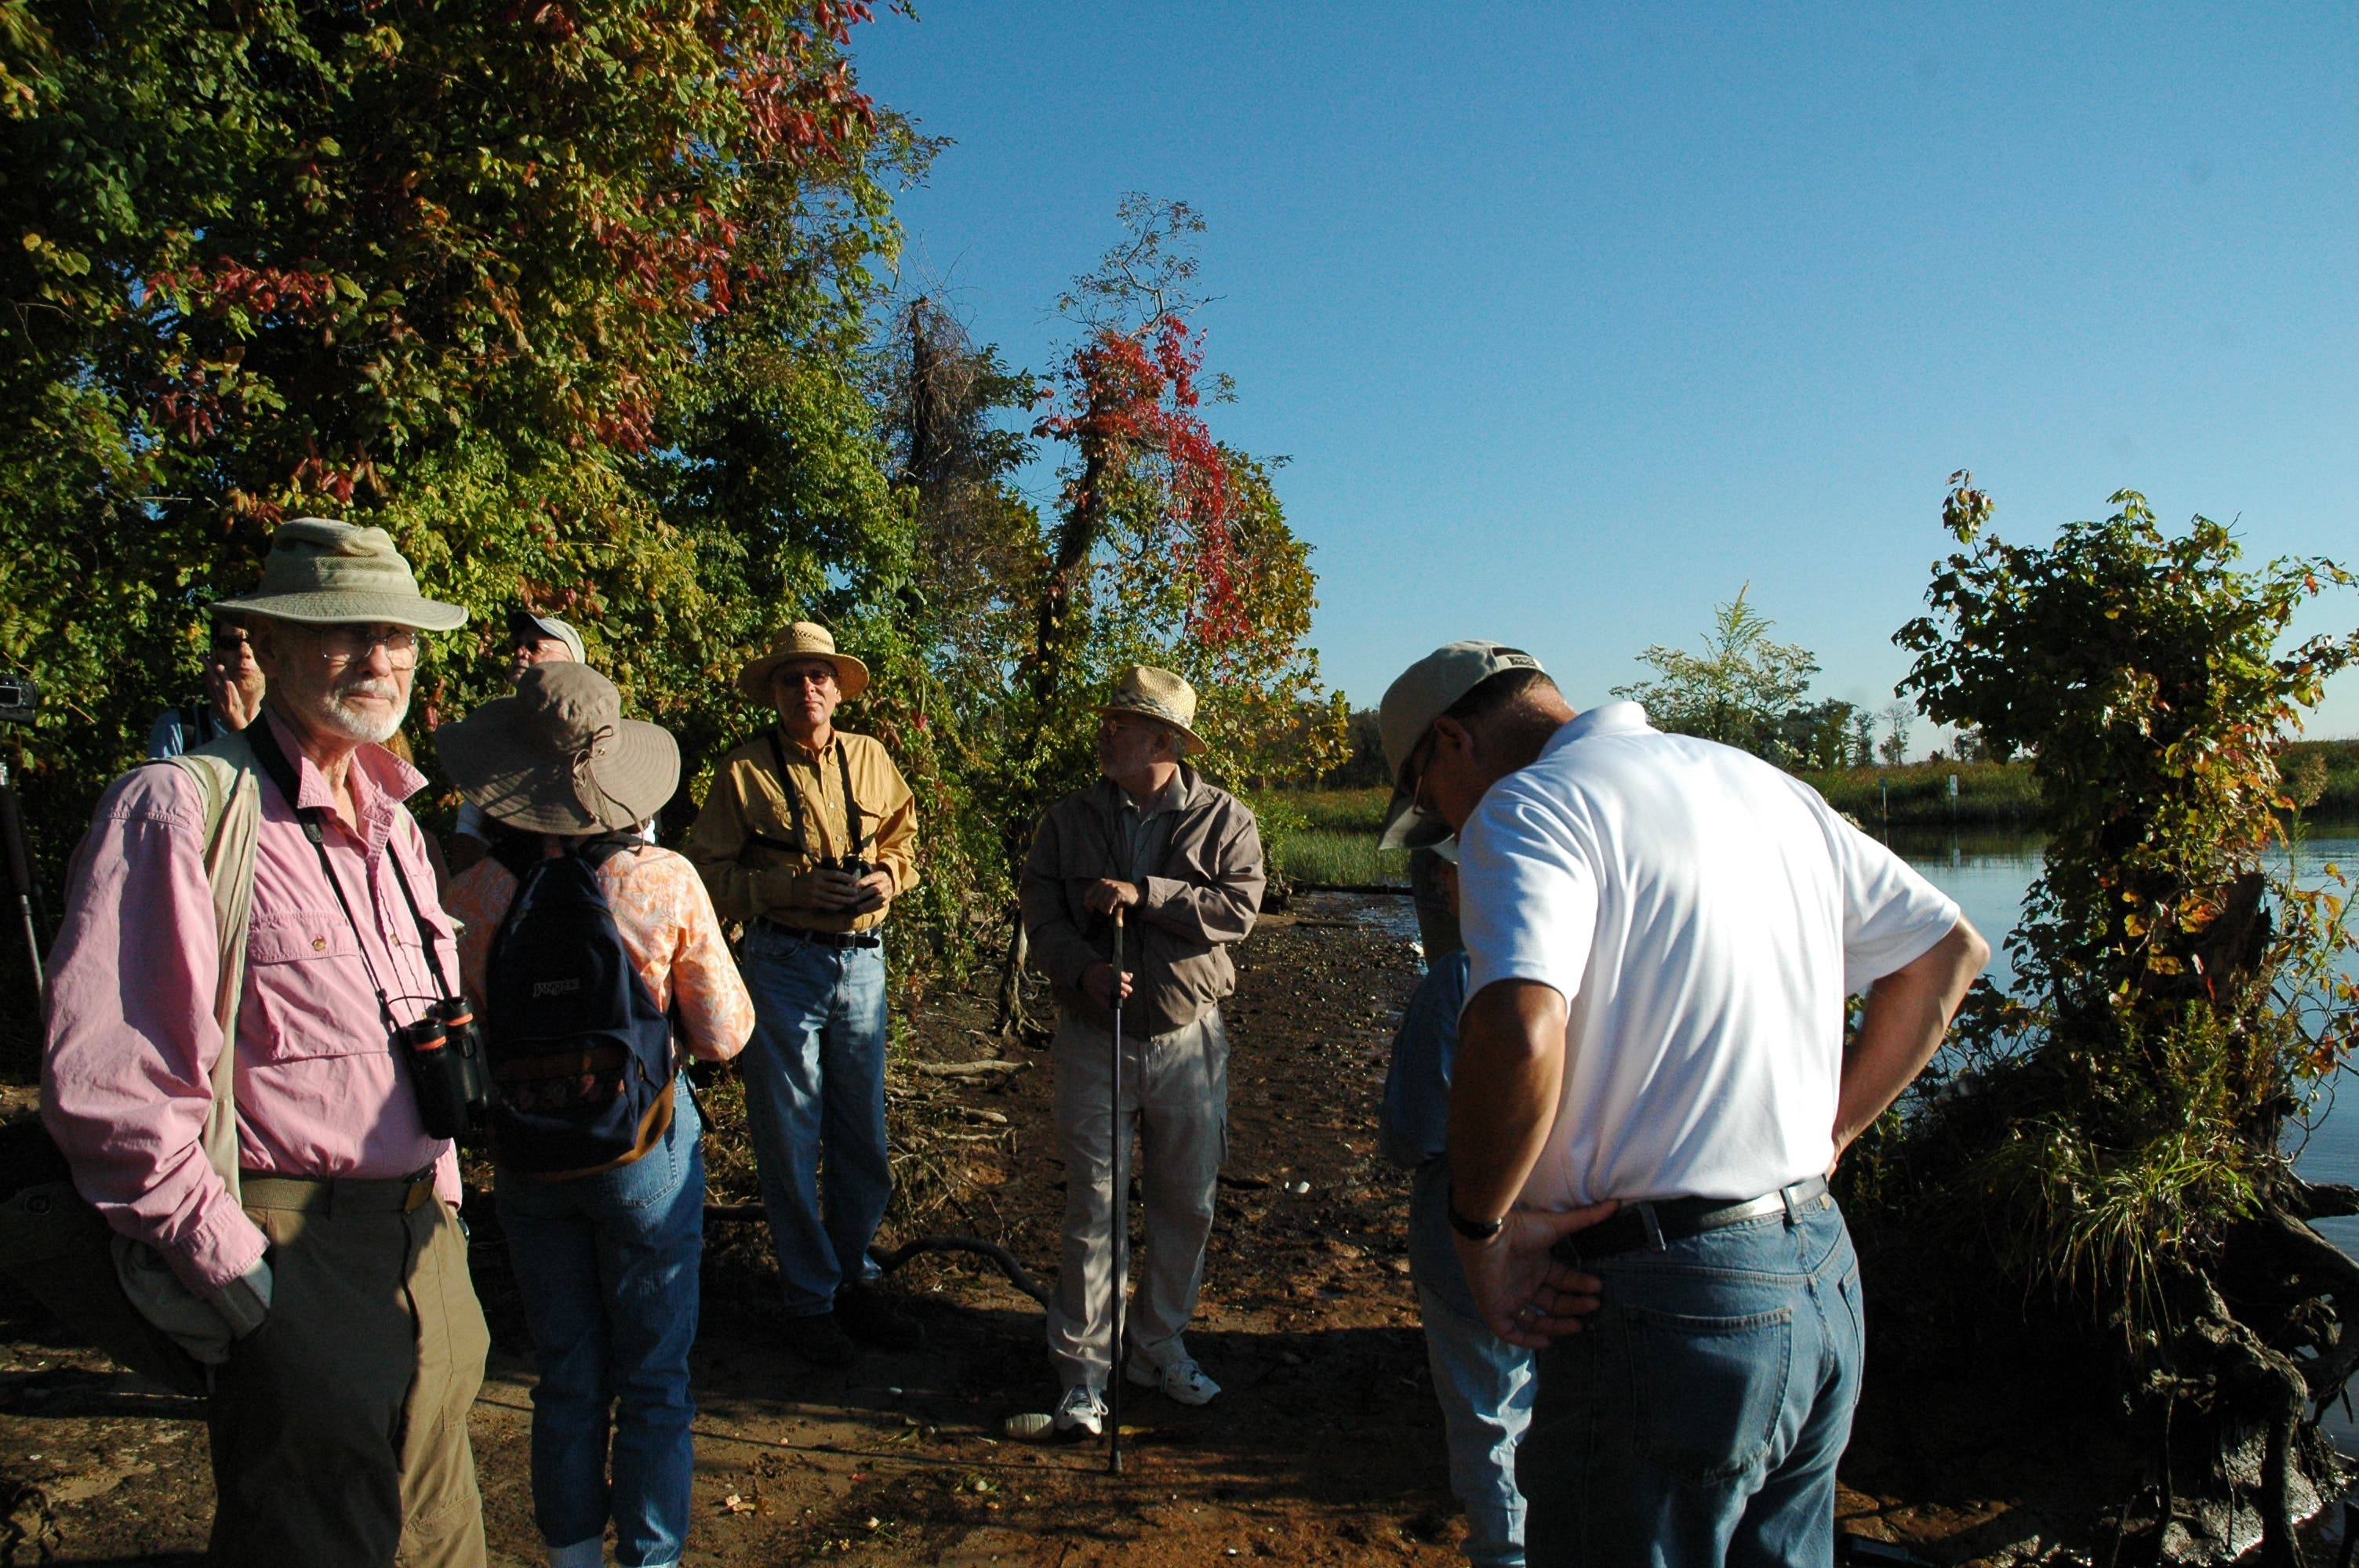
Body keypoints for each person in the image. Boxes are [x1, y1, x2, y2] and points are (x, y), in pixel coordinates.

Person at [1375, 640, 1988, 1567]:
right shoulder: (1761, 785)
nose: (1444, 827)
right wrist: (1831, 1131)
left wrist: (1480, 1230)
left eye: (1427, 802)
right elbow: (1946, 952)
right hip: (1819, 1274)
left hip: (1665, 1311)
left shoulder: (1529, 804)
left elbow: (1522, 1029)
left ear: (1453, 739)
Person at [45, 517, 491, 1566]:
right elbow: (112, 1085)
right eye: (345, 632)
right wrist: (238, 1275)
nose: (379, 658)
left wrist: (446, 1207)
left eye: (398, 635)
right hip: (291, 1250)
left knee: (442, 1544)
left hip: (425, 1251)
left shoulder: (397, 825)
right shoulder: (177, 808)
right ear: (272, 645)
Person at [440, 662, 754, 1568]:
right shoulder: (662, 881)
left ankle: (571, 1554)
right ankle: (650, 1555)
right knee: (653, 1375)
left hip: (528, 1153)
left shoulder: (469, 897)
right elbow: (724, 1033)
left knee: (565, 1371)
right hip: (643, 1151)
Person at [1016, 666, 1266, 1438]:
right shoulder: (1068, 819)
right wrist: (1081, 970)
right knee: (1093, 1208)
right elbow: (1040, 911)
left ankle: (1158, 1348)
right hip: (1094, 1039)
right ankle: (1083, 1376)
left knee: (1185, 1202)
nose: (1105, 734)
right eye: (1108, 723)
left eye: (1120, 725)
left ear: (1164, 741)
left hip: (1190, 1040)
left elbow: (1239, 908)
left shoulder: (1226, 819)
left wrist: (1146, 893)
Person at [685, 622, 921, 1366]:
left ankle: (852, 1275)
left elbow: (904, 844)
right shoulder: (742, 771)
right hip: (783, 961)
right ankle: (809, 1299)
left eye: (819, 676)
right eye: (792, 678)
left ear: (837, 688)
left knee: (863, 1135)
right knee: (788, 1135)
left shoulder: (872, 758)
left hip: (864, 963)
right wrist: (786, 887)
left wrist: (888, 878)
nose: (807, 689)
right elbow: (704, 876)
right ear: (775, 692)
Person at [1378, 837, 1532, 1568]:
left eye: (1455, 870)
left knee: (1488, 1419)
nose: (1441, 882)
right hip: (1586, 1240)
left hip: (1467, 1242)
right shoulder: (1606, 967)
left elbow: (1412, 1134)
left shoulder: (1459, 980)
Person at [448, 609, 644, 875]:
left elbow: (638, 847)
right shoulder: (497, 741)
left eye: (534, 647)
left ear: (572, 664)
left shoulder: (606, 745)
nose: (520, 652)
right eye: (518, 645)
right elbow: (470, 837)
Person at [145, 612, 265, 758]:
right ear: (214, 654)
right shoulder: (176, 728)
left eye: (254, 642)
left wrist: (236, 723)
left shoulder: (287, 730)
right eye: (230, 643)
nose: (244, 651)